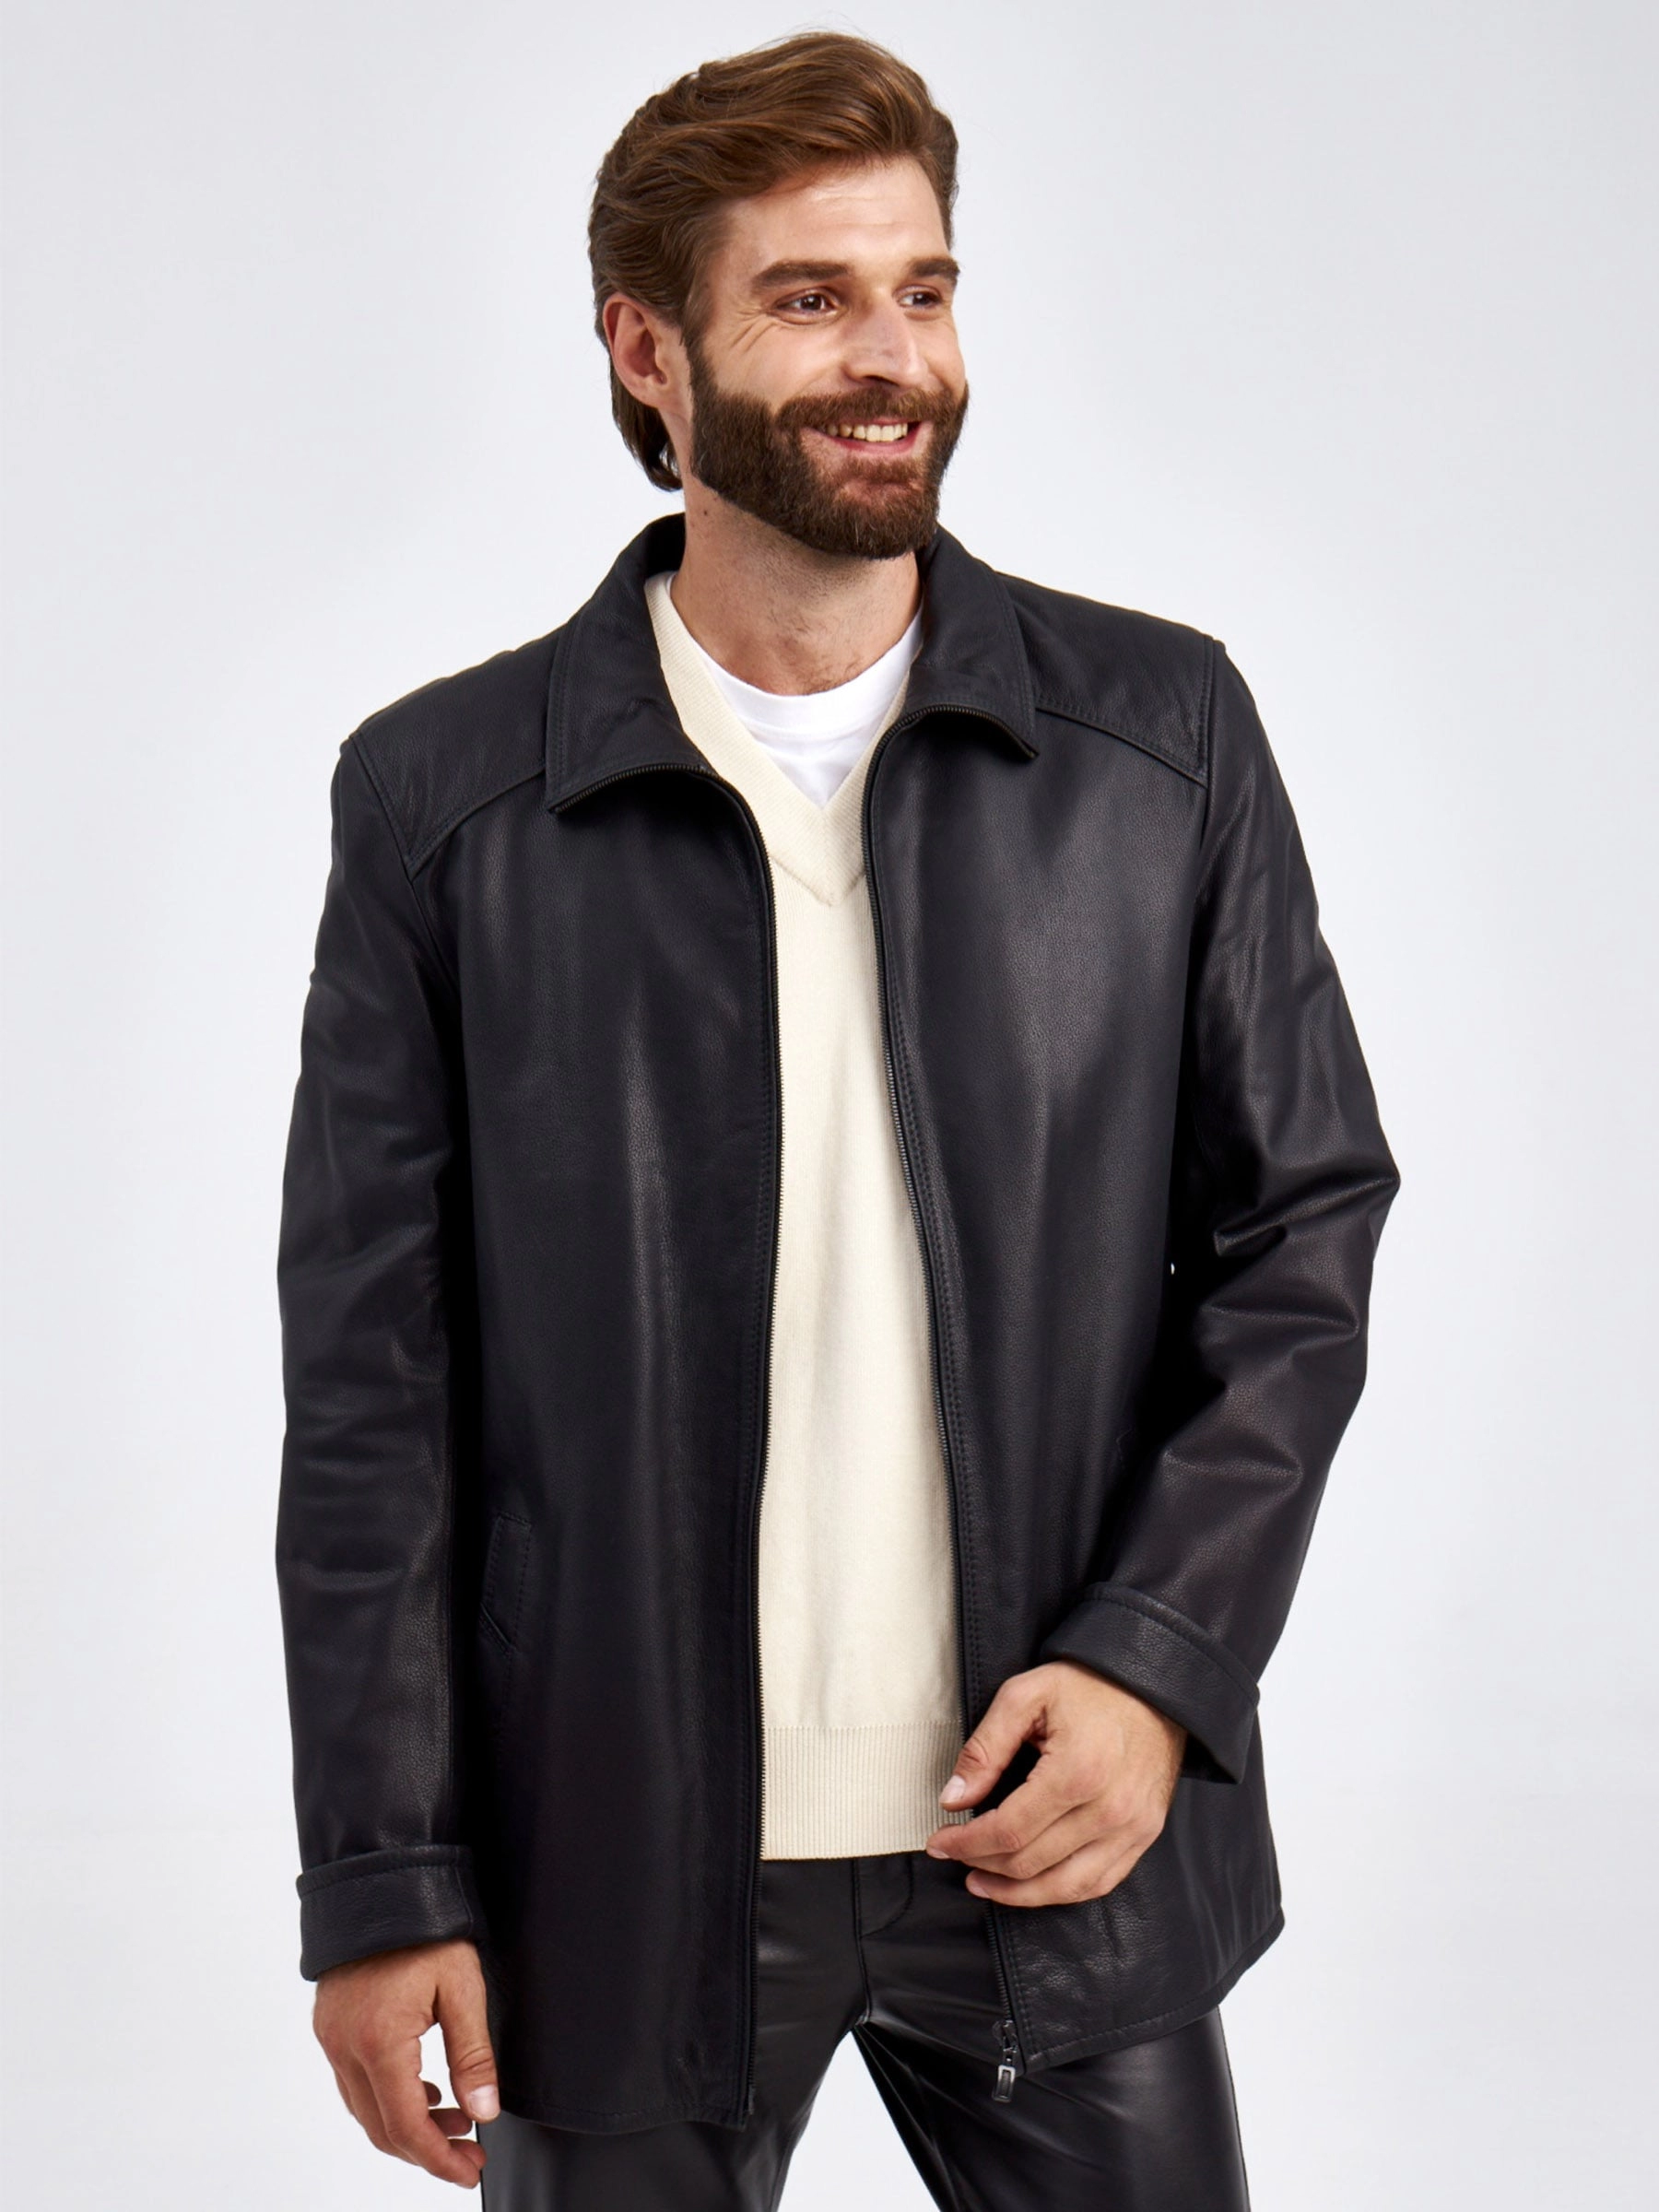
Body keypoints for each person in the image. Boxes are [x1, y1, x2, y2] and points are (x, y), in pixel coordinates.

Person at [274, 30, 1400, 2209]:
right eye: (810, 299)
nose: (894, 357)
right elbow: (371, 1389)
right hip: (621, 1858)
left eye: (924, 289)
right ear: (649, 352)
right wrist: (381, 1873)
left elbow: (1302, 1230)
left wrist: (1157, 1667)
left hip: (1054, 1828)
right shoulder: (445, 804)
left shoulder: (1158, 742)